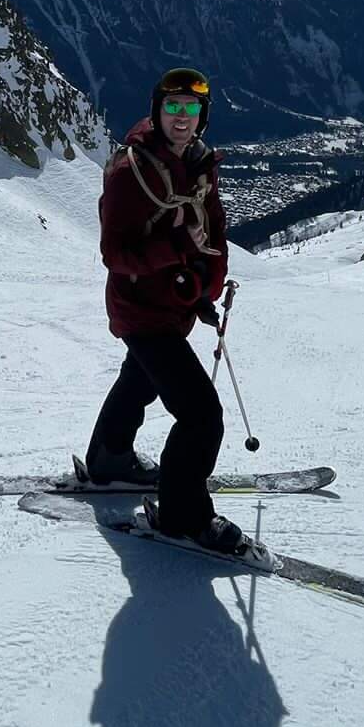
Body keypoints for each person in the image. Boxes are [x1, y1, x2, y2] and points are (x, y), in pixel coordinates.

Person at [82, 66, 248, 556]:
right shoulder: (129, 171)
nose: (181, 115)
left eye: (191, 107)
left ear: (203, 116)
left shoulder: (197, 164)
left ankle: (110, 458)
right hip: (142, 311)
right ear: (157, 110)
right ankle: (182, 515)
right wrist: (176, 250)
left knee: (141, 378)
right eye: (172, 106)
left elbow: (211, 235)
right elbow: (116, 255)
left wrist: (202, 292)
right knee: (201, 416)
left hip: (172, 305)